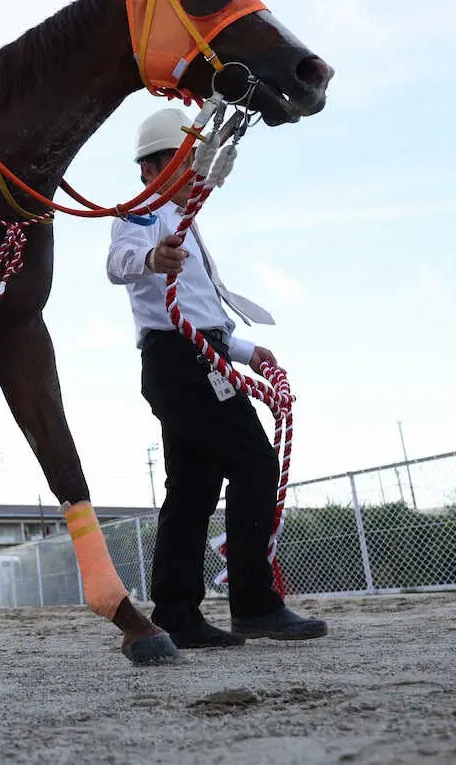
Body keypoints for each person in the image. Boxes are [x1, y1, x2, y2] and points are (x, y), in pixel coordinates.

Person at [106, 107, 328, 650]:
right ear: (154, 166)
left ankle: (178, 613)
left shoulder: (184, 219)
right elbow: (119, 261)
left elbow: (201, 311)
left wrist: (250, 350)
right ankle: (254, 603)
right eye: (188, 161)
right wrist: (153, 258)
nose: (198, 171)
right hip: (180, 363)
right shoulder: (143, 210)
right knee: (252, 461)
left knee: (192, 489)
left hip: (193, 358)